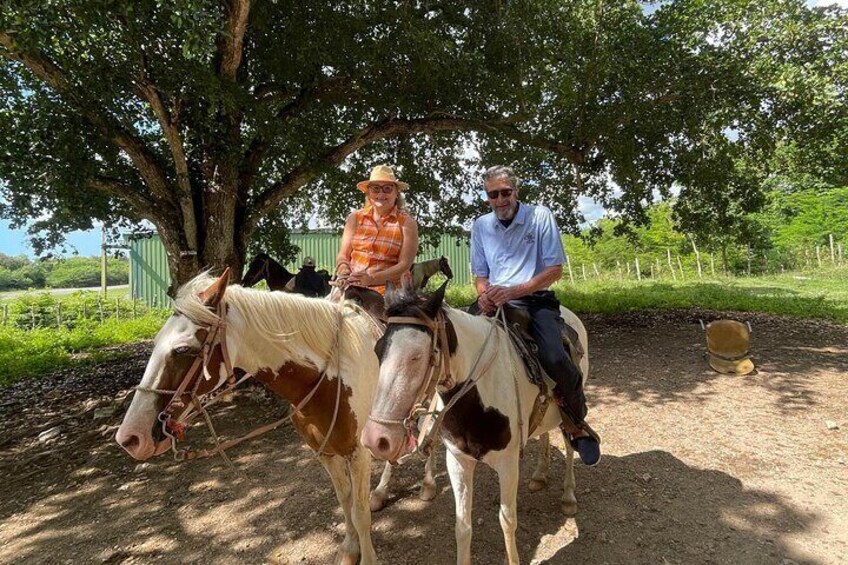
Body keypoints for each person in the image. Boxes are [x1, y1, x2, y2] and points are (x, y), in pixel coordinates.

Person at [470, 165, 601, 466]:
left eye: (505, 192)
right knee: (455, 344)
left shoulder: (540, 216)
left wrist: (514, 291)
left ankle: (575, 422)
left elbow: (554, 270)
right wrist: (482, 294)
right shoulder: (480, 225)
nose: (500, 199)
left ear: (516, 191)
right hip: (495, 301)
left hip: (535, 300)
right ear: (486, 197)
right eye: (493, 195)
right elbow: (480, 273)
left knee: (555, 356)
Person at [335, 165, 419, 299]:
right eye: (375, 188)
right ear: (368, 193)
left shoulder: (407, 223)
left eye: (387, 189)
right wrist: (343, 268)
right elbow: (343, 255)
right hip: (350, 286)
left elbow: (404, 266)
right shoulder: (354, 218)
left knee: (397, 319)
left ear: (396, 193)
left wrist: (371, 279)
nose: (381, 194)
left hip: (389, 292)